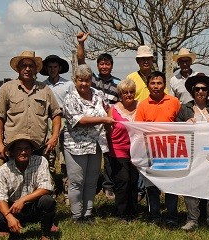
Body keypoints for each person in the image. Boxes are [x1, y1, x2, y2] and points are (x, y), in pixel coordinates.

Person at [62, 64, 114, 223]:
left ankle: (88, 213)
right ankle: (77, 215)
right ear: (75, 80)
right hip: (75, 145)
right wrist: (104, 120)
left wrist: (108, 124)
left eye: (87, 80)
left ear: (91, 80)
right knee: (77, 181)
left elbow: (108, 108)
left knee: (92, 180)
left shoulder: (98, 94)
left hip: (96, 144)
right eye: (80, 80)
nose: (84, 83)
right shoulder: (70, 97)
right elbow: (79, 120)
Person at [175, 75, 209, 231]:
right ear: (192, 91)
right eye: (197, 89)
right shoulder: (185, 108)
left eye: (204, 88)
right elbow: (176, 131)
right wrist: (185, 124)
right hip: (192, 154)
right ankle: (192, 220)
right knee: (191, 186)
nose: (200, 91)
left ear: (208, 90)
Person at [0, 51, 62, 160]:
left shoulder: (45, 90)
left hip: (39, 148)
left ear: (36, 69)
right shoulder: (6, 89)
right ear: (18, 68)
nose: (27, 69)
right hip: (13, 148)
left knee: (38, 176)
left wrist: (54, 136)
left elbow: (56, 114)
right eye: (24, 65)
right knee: (13, 177)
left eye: (31, 66)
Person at [76, 32, 121, 200]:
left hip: (109, 124)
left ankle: (108, 186)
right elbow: (81, 62)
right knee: (89, 155)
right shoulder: (91, 80)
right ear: (97, 65)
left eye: (107, 64)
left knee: (110, 155)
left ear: (111, 65)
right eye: (101, 64)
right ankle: (90, 185)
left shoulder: (117, 83)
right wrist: (81, 44)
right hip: (90, 124)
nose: (104, 66)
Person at [135, 71, 181, 227]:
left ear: (165, 85)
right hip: (151, 153)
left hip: (171, 153)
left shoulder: (174, 102)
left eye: (159, 83)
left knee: (171, 187)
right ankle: (154, 216)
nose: (156, 86)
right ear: (148, 86)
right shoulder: (142, 105)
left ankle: (172, 217)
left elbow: (182, 126)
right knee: (152, 187)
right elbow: (138, 131)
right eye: (153, 83)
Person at [0, 134, 57, 240]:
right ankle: (15, 232)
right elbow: (0, 198)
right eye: (19, 149)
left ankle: (45, 235)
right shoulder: (3, 170)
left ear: (31, 150)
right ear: (12, 152)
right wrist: (9, 217)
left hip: (34, 204)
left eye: (26, 148)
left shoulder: (41, 161)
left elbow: (46, 188)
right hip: (14, 208)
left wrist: (23, 200)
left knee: (47, 201)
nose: (23, 152)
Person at [106, 78, 140, 221]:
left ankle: (132, 211)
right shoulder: (113, 110)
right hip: (118, 150)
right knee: (123, 181)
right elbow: (107, 130)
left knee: (133, 181)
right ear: (120, 93)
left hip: (136, 150)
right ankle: (121, 213)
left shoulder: (140, 107)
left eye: (131, 92)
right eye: (125, 92)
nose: (128, 95)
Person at [40, 54, 72, 198]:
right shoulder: (42, 86)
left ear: (59, 68)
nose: (53, 70)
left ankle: (68, 190)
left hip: (65, 122)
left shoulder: (68, 85)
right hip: (47, 123)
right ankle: (51, 188)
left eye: (55, 67)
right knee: (48, 156)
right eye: (50, 67)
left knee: (66, 158)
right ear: (46, 69)